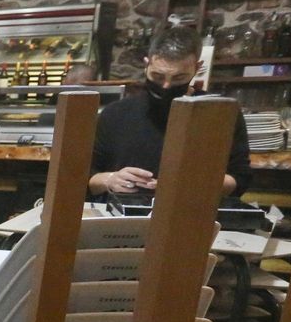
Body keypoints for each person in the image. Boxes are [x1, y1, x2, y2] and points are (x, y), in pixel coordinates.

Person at [89, 27, 251, 198]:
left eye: (179, 78)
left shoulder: (219, 113)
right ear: (146, 65)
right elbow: (87, 177)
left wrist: (187, 185)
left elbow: (239, 179)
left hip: (192, 215)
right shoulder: (115, 114)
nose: (166, 86)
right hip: (123, 217)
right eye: (158, 76)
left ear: (197, 68)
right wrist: (110, 179)